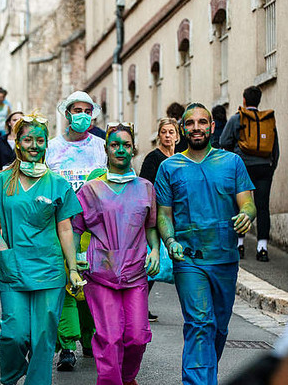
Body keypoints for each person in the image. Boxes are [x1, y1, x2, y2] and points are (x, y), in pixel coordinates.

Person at [0, 113, 83, 385]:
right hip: (14, 266)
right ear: (18, 143)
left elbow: (65, 229)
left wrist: (73, 269)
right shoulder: (0, 182)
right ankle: (12, 375)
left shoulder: (57, 183)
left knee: (44, 337)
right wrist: (2, 249)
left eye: (40, 140)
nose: (34, 145)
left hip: (50, 270)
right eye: (28, 139)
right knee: (14, 334)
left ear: (46, 144)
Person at [155, 103, 256, 385]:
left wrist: (246, 215)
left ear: (212, 127)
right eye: (190, 123)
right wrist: (171, 240)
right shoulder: (168, 167)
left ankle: (204, 376)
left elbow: (247, 203)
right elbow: (163, 214)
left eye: (202, 122)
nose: (196, 127)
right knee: (200, 323)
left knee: (219, 327)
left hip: (224, 257)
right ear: (182, 129)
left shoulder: (232, 162)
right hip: (188, 259)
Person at [73, 123, 160, 385]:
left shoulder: (146, 188)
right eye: (114, 145)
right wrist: (75, 259)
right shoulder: (91, 190)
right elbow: (76, 228)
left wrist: (155, 249)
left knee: (137, 336)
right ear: (106, 149)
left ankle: (127, 377)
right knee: (109, 337)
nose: (120, 150)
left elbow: (151, 226)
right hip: (100, 274)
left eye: (125, 144)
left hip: (135, 273)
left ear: (133, 148)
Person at [46, 90, 107, 371]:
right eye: (76, 110)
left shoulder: (101, 146)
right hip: (61, 225)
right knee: (66, 283)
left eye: (87, 110)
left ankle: (88, 335)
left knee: (90, 284)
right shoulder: (52, 147)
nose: (82, 115)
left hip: (94, 228)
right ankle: (67, 346)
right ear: (67, 114)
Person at [220, 86, 279, 262]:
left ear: (244, 100)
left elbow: (224, 141)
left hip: (242, 167)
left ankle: (239, 244)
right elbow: (275, 149)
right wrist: (271, 167)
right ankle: (262, 248)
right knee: (262, 207)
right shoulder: (268, 121)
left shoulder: (237, 119)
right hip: (264, 168)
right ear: (258, 101)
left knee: (239, 205)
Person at [139, 117, 179, 322]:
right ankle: (139, 306)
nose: (167, 136)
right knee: (153, 263)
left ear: (177, 135)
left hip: (176, 215)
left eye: (171, 132)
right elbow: (144, 186)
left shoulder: (180, 158)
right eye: (164, 132)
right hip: (155, 214)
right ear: (159, 135)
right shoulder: (153, 158)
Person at [0, 111, 24, 175]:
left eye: (20, 120)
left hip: (22, 177)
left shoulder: (28, 141)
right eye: (14, 120)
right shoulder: (0, 141)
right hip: (4, 176)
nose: (17, 123)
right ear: (9, 123)